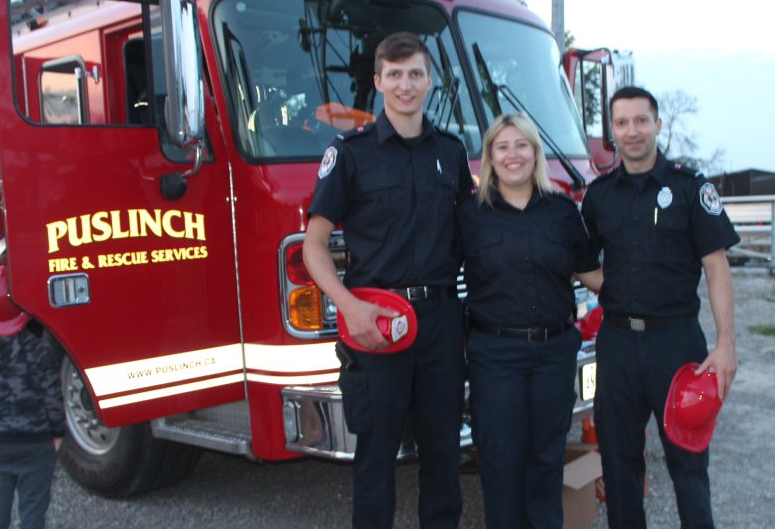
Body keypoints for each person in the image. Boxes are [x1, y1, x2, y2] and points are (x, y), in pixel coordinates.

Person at [303, 31, 474, 528]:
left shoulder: (452, 151)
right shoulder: (351, 154)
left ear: (429, 81)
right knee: (375, 460)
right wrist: (348, 307)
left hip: (441, 322)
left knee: (444, 455)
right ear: (378, 82)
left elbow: (472, 236)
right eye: (395, 75)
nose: (406, 85)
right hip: (375, 321)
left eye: (415, 74)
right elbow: (314, 246)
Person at [580, 86, 739, 528]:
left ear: (658, 125)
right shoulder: (599, 196)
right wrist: (611, 290)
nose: (632, 131)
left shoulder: (690, 187)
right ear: (611, 132)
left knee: (688, 465)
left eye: (641, 120)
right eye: (622, 123)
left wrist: (727, 344)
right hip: (616, 345)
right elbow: (581, 261)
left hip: (677, 343)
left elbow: (716, 265)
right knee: (619, 464)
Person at [457, 113, 602, 528]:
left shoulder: (560, 210)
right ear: (489, 157)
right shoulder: (469, 214)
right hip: (495, 355)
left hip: (554, 353)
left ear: (535, 152)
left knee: (546, 457)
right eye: (502, 147)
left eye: (521, 145)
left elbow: (592, 274)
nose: (512, 155)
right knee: (501, 459)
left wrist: (651, 291)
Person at [0, 266, 65, 529]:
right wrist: (58, 433)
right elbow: (52, 398)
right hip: (36, 443)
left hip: (0, 442)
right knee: (33, 508)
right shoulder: (39, 351)